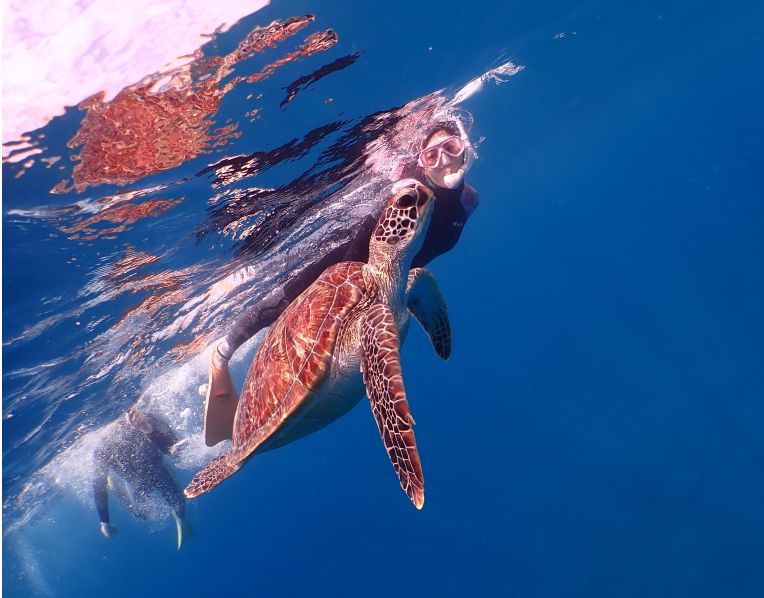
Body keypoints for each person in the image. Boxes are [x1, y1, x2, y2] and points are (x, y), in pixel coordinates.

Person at [202, 114, 480, 445]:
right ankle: (221, 352)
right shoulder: (409, 188)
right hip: (355, 256)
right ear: (420, 162)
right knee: (288, 298)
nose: (443, 160)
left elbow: (421, 266)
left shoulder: (469, 201)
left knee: (413, 283)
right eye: (431, 155)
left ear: (465, 148)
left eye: (449, 148)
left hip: (395, 270)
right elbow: (390, 210)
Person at [92, 407, 191, 549]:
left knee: (180, 505)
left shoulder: (148, 418)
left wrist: (146, 428)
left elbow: (173, 451)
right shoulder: (102, 447)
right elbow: (98, 485)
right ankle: (114, 484)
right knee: (141, 514)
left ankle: (180, 519)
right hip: (134, 482)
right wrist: (104, 521)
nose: (119, 424)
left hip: (159, 469)